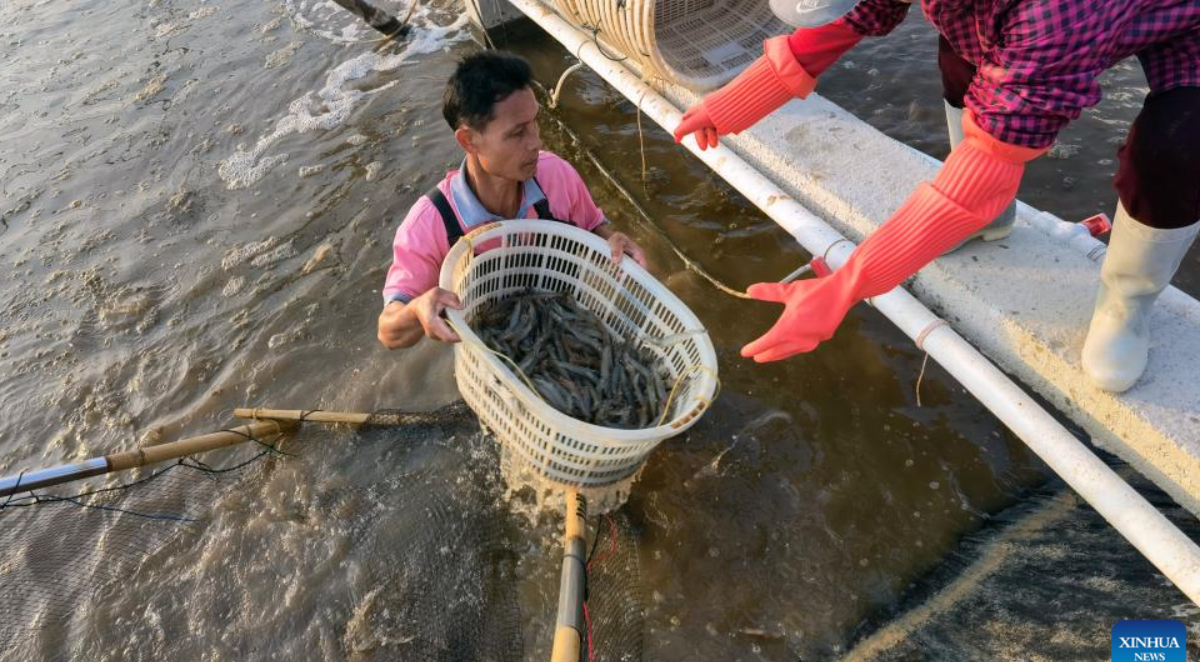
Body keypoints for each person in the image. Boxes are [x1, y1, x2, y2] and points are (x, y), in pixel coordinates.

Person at [676, 0, 1200, 393]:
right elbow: (858, 13)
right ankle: (991, 223)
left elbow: (990, 164)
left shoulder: (1054, 13)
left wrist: (846, 287)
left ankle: (1127, 301)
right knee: (964, 51)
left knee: (1176, 148)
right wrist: (733, 103)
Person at [378, 50, 646, 349]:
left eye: (535, 122)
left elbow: (593, 231)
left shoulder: (556, 174)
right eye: (518, 132)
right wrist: (417, 310)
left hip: (567, 328)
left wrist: (615, 240)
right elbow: (389, 332)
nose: (536, 142)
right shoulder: (430, 223)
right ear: (469, 140)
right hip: (493, 354)